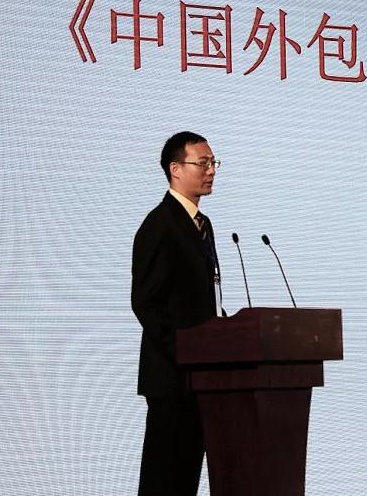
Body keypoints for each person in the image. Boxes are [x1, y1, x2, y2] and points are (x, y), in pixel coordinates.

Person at [132, 131, 223, 496]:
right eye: (203, 163)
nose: (211, 170)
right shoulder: (159, 224)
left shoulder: (203, 224)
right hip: (172, 379)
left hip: (200, 380)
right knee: (164, 484)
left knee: (185, 483)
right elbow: (145, 302)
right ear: (175, 169)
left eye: (213, 163)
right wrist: (185, 352)